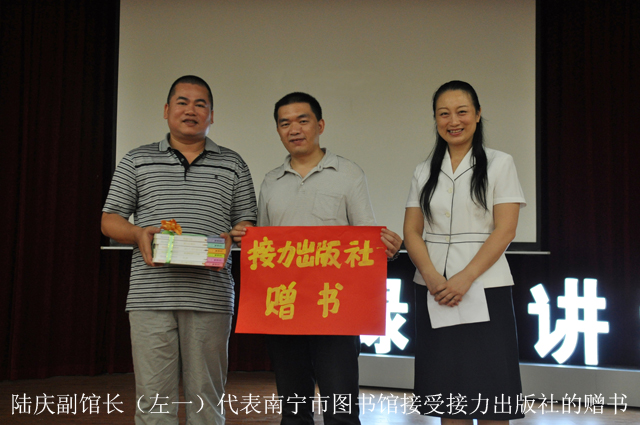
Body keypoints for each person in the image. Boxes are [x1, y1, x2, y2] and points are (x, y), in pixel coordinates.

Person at [231, 92, 403, 425]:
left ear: (320, 125)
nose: (294, 129)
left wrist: (386, 247)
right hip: (285, 307)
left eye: (303, 120)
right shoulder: (270, 182)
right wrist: (245, 237)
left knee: (341, 409)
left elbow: (365, 238)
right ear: (278, 131)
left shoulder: (349, 174)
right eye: (285, 123)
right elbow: (265, 248)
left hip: (335, 308)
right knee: (294, 410)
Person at [101, 75, 257, 425]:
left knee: (207, 400)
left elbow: (247, 223)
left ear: (212, 115)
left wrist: (239, 234)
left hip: (211, 297)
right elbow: (109, 220)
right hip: (150, 297)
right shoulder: (137, 160)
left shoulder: (233, 163)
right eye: (182, 102)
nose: (191, 110)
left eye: (200, 104)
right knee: (154, 400)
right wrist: (137, 233)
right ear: (166, 110)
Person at [403, 81, 526, 424]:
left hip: (485, 287)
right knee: (448, 395)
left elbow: (506, 229)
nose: (453, 121)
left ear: (478, 114)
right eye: (444, 114)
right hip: (434, 289)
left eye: (462, 112)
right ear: (435, 119)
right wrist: (431, 276)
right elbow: (412, 231)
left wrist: (465, 278)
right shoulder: (423, 170)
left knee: (490, 395)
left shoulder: (500, 163)